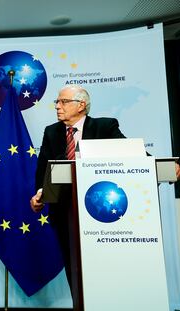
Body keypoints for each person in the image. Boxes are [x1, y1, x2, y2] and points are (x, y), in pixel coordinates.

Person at [30, 84, 180, 299]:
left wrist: (157, 165)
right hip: (64, 213)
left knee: (101, 268)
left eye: (63, 101)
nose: (57, 106)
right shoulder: (51, 131)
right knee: (74, 269)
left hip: (100, 211)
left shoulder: (104, 127)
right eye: (57, 102)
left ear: (81, 105)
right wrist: (39, 195)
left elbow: (131, 152)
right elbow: (44, 168)